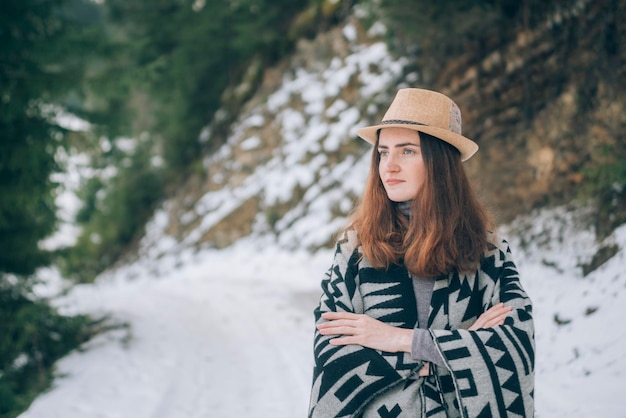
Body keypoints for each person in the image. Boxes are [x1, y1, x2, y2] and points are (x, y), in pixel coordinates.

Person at [308, 88, 534, 417]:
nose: (390, 166)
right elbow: (332, 351)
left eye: (408, 151)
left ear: (440, 161)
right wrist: (456, 348)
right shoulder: (356, 249)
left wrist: (398, 339)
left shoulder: (487, 253)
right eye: (383, 152)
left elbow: (515, 347)